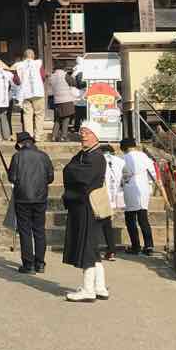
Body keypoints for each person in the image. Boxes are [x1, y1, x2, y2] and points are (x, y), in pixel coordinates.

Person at [62, 121, 109, 302]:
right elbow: (69, 169)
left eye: (87, 132)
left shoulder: (96, 156)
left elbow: (78, 175)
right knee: (92, 247)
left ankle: (89, 289)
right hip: (82, 204)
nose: (83, 135)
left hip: (88, 205)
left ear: (96, 136)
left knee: (87, 247)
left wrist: (71, 170)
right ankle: (100, 287)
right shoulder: (85, 154)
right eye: (82, 132)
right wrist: (71, 170)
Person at [7, 130, 54, 273]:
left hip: (22, 198)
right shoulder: (44, 156)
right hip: (40, 198)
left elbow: (12, 177)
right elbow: (50, 177)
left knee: (25, 231)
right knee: (39, 230)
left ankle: (29, 264)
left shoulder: (17, 157)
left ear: (20, 144)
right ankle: (40, 263)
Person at [120, 137, 158, 255]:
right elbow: (152, 173)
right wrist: (150, 185)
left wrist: (121, 184)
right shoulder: (144, 156)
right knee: (143, 218)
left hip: (130, 188)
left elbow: (122, 175)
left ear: (124, 148)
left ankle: (136, 246)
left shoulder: (124, 158)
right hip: (143, 188)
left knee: (130, 218)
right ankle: (149, 246)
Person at [100, 144, 125, 262]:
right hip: (115, 195)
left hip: (101, 195)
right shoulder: (120, 161)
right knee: (107, 224)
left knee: (96, 224)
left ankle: (94, 250)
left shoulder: (99, 160)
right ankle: (111, 251)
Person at [15, 48, 46, 140]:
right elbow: (43, 77)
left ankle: (29, 136)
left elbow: (16, 80)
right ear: (33, 56)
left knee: (27, 115)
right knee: (39, 114)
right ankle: (38, 136)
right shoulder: (38, 64)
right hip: (38, 92)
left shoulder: (19, 65)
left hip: (25, 94)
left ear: (24, 57)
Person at [48, 60, 77, 141]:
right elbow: (74, 83)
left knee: (58, 119)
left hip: (57, 100)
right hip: (66, 99)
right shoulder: (65, 75)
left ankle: (54, 136)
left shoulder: (52, 76)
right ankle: (64, 136)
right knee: (66, 118)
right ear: (64, 67)